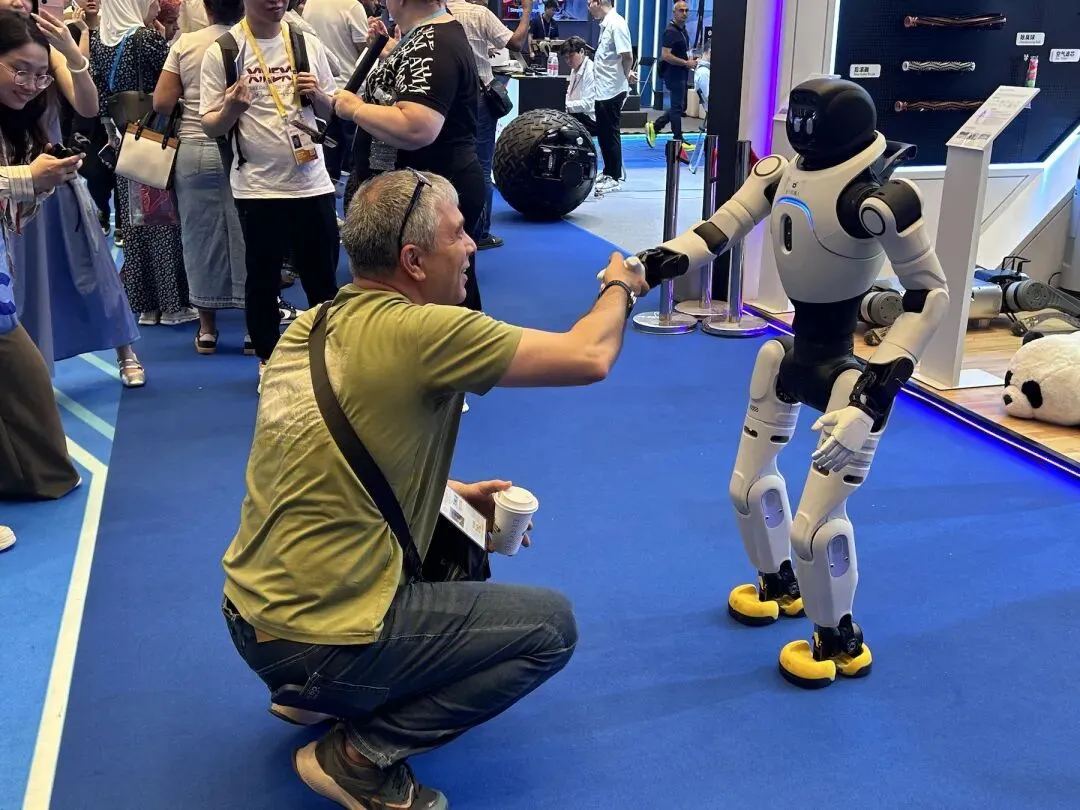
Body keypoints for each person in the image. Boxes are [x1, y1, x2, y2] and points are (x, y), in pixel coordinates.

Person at [220, 168, 651, 810]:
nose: (473, 244)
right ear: (413, 261)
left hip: (250, 617)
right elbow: (588, 356)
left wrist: (450, 493)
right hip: (314, 639)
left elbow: (318, 458)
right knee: (550, 628)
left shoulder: (312, 326)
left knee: (456, 536)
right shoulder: (426, 331)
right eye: (457, 233)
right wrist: (619, 286)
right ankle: (358, 757)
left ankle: (312, 696)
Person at [199, 0, 341, 386]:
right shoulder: (225, 51)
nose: (277, 1)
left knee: (323, 279)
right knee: (262, 279)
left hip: (312, 182)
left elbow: (333, 107)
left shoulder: (306, 43)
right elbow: (210, 125)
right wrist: (231, 108)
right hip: (257, 187)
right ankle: (268, 357)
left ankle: (328, 355)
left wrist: (320, 95)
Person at [336, 0, 488, 312]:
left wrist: (356, 109)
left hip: (432, 197)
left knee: (441, 305)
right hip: (419, 195)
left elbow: (418, 126)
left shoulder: (435, 42)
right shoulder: (426, 35)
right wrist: (392, 52)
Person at [0, 9, 84, 512]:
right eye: (19, 70)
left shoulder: (18, 121)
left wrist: (40, 183)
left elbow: (13, 215)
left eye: (39, 75)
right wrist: (26, 178)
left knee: (30, 392)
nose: (30, 85)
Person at [153, 0, 248, 354]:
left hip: (195, 146)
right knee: (251, 235)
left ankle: (207, 328)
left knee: (198, 236)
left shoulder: (185, 44)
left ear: (206, 7)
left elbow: (162, 102)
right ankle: (255, 326)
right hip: (244, 148)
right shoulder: (252, 41)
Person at [445, 0, 530, 251]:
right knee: (482, 166)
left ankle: (447, 230)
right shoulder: (479, 14)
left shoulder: (437, 13)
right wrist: (527, 10)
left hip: (446, 99)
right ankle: (479, 232)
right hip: (478, 97)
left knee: (447, 163)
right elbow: (516, 43)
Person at [586, 0, 631, 192]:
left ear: (598, 2)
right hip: (602, 89)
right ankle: (607, 171)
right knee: (604, 133)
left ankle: (614, 176)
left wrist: (625, 76)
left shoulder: (616, 24)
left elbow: (627, 55)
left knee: (611, 133)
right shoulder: (605, 24)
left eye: (589, 3)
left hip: (613, 89)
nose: (588, 7)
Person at [645, 0, 694, 160]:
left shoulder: (682, 30)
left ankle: (655, 127)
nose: (684, 13)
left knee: (679, 106)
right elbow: (665, 55)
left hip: (681, 73)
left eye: (686, 10)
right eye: (681, 10)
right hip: (673, 74)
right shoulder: (671, 32)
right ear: (674, 13)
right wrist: (685, 63)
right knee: (677, 107)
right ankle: (678, 139)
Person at [561, 34, 594, 134]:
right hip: (577, 114)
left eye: (571, 56)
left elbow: (588, 104)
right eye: (566, 58)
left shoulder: (590, 70)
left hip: (590, 119)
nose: (568, 61)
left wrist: (565, 106)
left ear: (582, 52)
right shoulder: (574, 69)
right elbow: (569, 95)